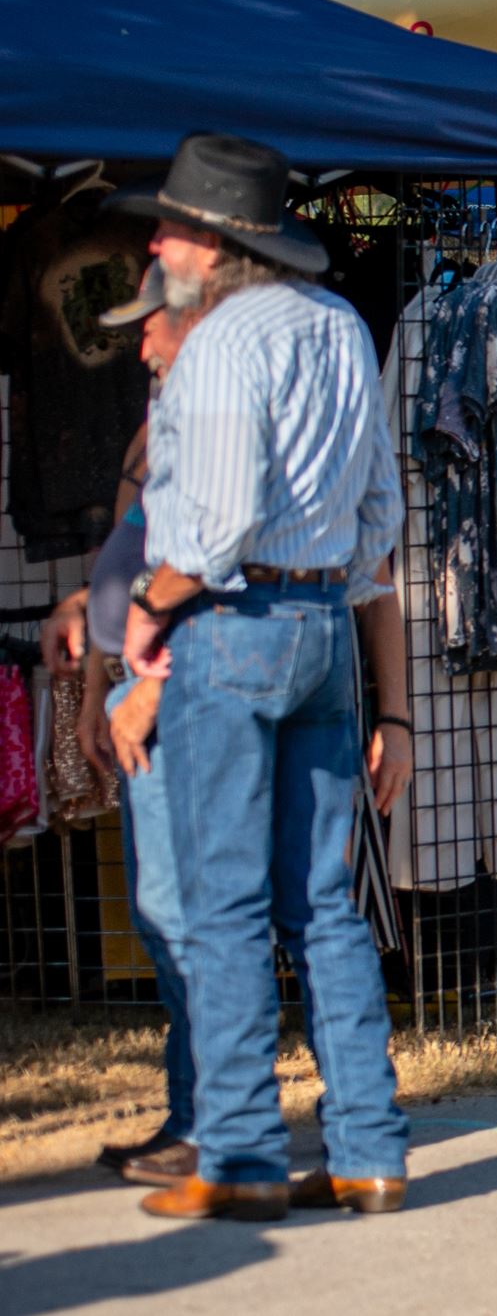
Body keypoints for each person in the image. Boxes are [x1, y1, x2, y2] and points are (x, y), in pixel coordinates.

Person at [110, 135, 413, 1221]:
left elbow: (224, 515)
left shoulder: (227, 339)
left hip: (232, 623)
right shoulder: (337, 325)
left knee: (227, 903)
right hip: (326, 615)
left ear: (216, 244)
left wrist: (152, 606)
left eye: (171, 228)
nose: (156, 242)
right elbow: (384, 510)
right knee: (322, 905)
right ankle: (369, 1151)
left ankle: (236, 1158)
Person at [70, 264, 199, 1189]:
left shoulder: (214, 423)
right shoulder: (161, 427)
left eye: (149, 325)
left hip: (177, 690)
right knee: (165, 916)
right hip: (134, 688)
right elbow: (122, 558)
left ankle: (209, 1121)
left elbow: (214, 566)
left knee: (188, 917)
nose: (138, 343)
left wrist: (146, 683)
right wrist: (94, 686)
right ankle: (199, 1115)